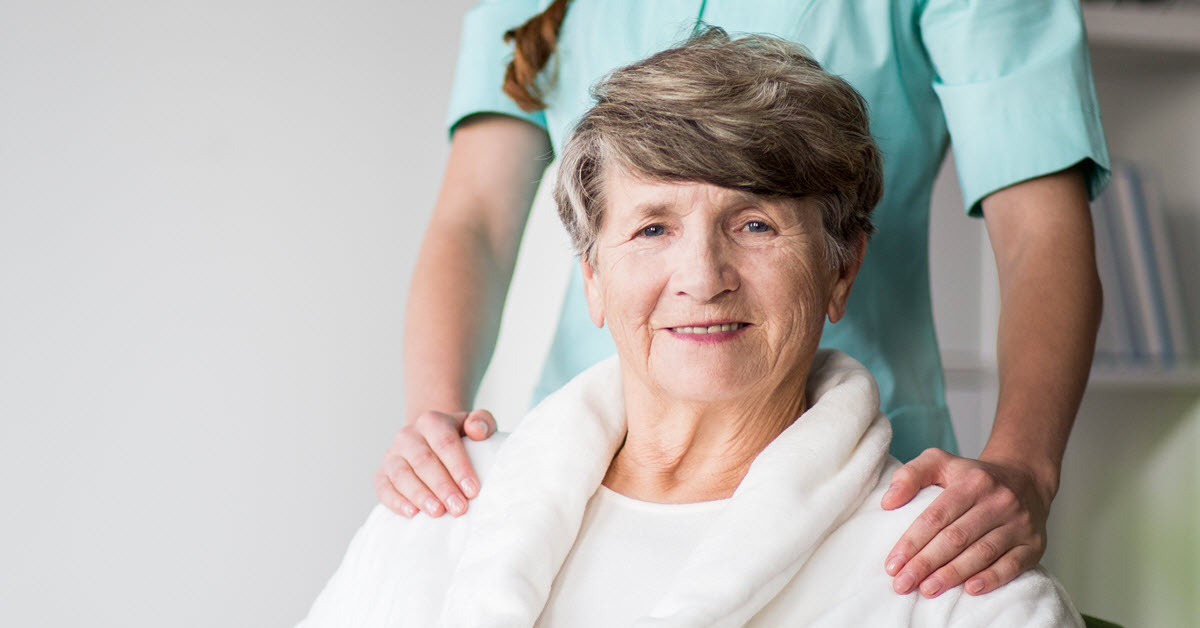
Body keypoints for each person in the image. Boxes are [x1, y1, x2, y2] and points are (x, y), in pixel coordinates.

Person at [301, 33, 1084, 626]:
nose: (703, 278)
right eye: (650, 229)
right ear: (592, 277)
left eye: (754, 224)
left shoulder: (954, 584)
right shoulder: (440, 523)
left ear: (842, 267)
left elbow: (1043, 234)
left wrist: (1029, 466)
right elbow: (472, 218)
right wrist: (435, 431)